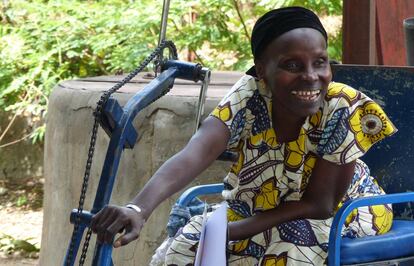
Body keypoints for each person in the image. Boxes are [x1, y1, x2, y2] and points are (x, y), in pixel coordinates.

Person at [91, 6, 397, 265]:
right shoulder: (248, 96)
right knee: (185, 245)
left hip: (346, 213)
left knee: (289, 248)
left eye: (320, 62)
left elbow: (321, 204)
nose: (310, 76)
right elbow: (195, 152)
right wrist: (138, 208)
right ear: (262, 71)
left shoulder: (342, 106)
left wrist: (234, 231)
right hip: (259, 207)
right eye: (292, 65)